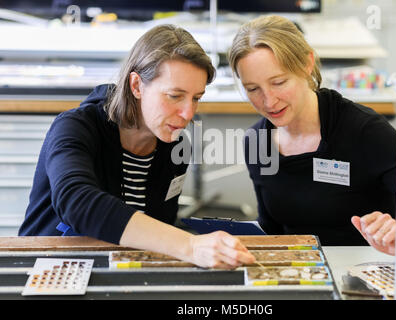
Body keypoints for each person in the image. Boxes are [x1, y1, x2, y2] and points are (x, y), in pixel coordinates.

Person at [19, 24, 255, 269]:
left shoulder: (174, 147)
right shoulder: (76, 126)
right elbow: (76, 201)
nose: (188, 113)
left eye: (196, 98)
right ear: (136, 86)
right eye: (174, 96)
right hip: (46, 272)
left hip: (118, 274)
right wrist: (191, 246)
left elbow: (158, 231)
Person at [228, 15, 396, 257]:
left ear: (306, 64)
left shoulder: (366, 132)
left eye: (279, 82)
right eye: (253, 89)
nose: (269, 101)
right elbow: (272, 228)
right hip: (300, 275)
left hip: (364, 276)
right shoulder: (257, 141)